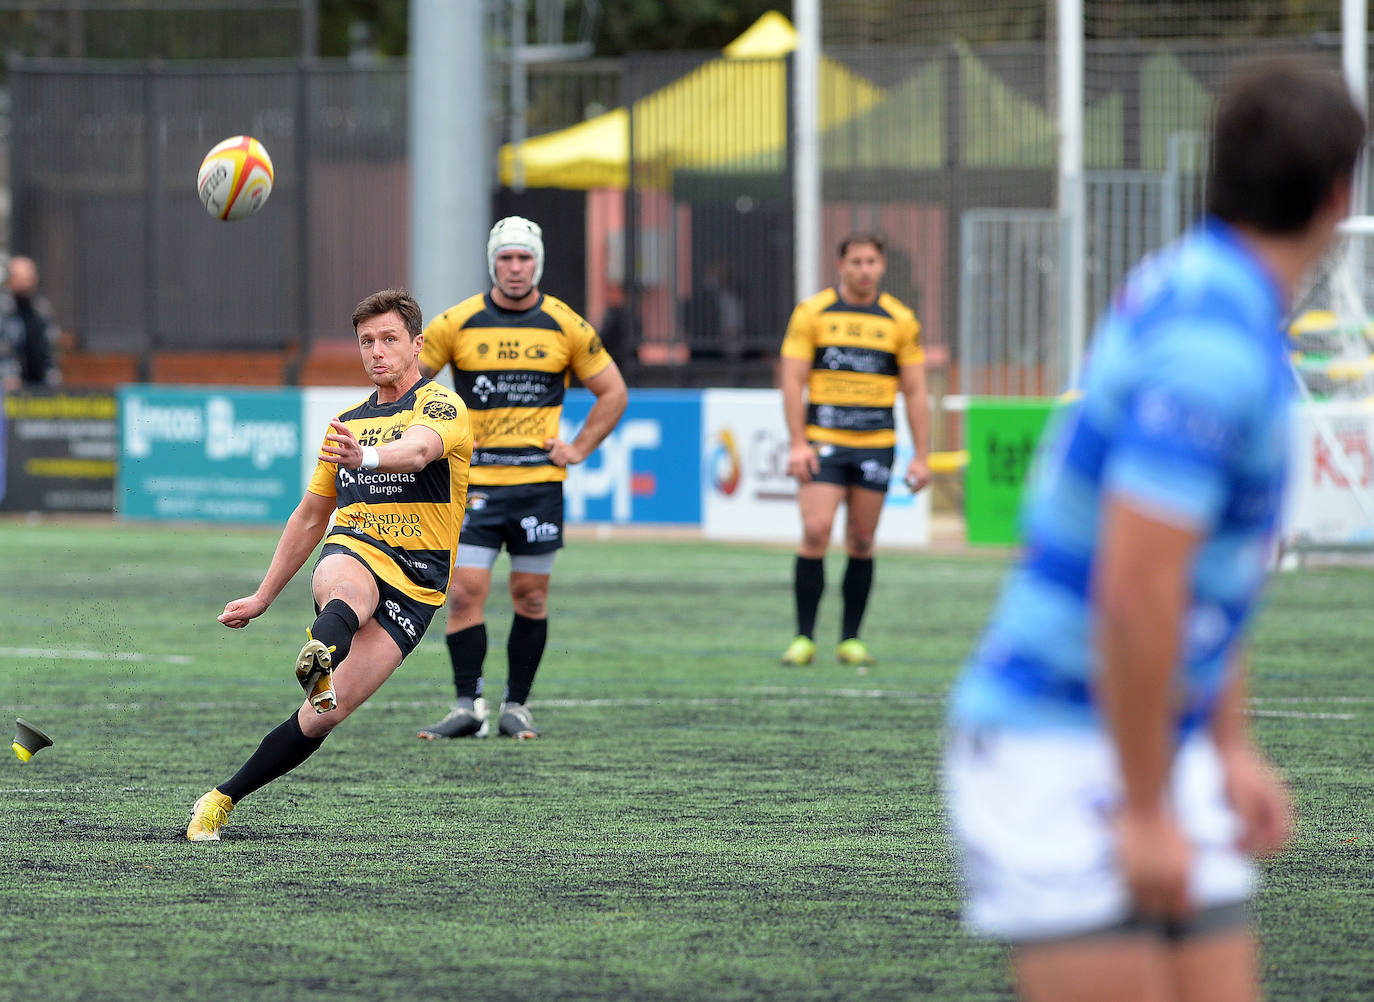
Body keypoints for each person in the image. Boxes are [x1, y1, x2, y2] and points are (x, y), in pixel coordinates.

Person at [943, 59, 1363, 1002]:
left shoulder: (1206, 291)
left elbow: (1206, 573)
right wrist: (1140, 811)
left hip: (1148, 746)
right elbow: (1137, 587)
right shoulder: (1211, 345)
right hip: (1062, 745)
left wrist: (1228, 745)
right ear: (1339, 196)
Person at [186, 288, 472, 841]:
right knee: (348, 589)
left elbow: (416, 452)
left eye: (389, 339)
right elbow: (312, 516)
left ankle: (221, 795)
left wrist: (363, 456)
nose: (377, 352)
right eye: (366, 341)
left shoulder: (440, 407)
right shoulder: (346, 423)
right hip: (358, 548)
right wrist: (264, 595)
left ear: (417, 345)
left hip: (419, 583)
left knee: (324, 716)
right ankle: (321, 652)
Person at [416, 216, 628, 741]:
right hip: (475, 485)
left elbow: (614, 392)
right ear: (493, 262)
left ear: (538, 263)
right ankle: (467, 705)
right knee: (465, 593)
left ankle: (517, 707)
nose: (515, 268)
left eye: (524, 258)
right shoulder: (457, 322)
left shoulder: (565, 324)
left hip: (539, 486)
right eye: (506, 258)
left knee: (531, 596)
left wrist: (578, 446)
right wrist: (442, 432)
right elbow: (407, 386)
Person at [777, 233, 931, 667]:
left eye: (872, 262)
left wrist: (921, 455)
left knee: (862, 539)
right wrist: (796, 441)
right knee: (816, 529)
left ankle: (850, 639)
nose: (865, 270)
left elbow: (916, 393)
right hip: (824, 442)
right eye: (856, 261)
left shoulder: (900, 319)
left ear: (882, 266)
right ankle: (804, 637)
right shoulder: (813, 313)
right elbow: (792, 380)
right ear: (840, 265)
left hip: (876, 444)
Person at [0, 255, 61, 391]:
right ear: (10, 278)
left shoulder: (41, 309)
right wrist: (7, 376)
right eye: (21, 278)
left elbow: (50, 347)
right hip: (9, 386)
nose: (27, 282)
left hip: (39, 384)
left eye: (30, 277)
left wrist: (52, 376)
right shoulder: (3, 309)